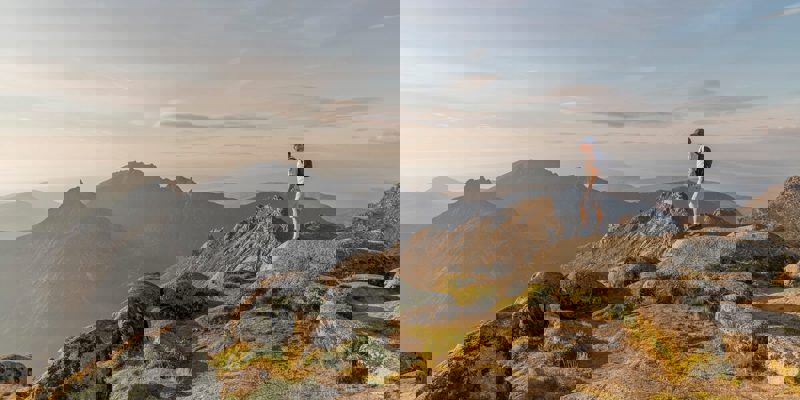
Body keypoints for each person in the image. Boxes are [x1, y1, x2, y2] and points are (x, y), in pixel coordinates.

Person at [687, 129, 712, 226]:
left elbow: (699, 159)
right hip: (698, 177)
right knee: (694, 201)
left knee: (693, 200)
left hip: (700, 178)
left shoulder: (703, 148)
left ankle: (696, 222)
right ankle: (696, 222)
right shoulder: (701, 148)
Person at [287, 144, 310, 240]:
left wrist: (298, 186)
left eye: (299, 149)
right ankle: (297, 234)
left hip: (302, 188)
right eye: (296, 150)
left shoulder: (306, 160)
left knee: (294, 209)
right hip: (300, 188)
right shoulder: (300, 161)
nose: (298, 152)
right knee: (295, 210)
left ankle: (296, 235)